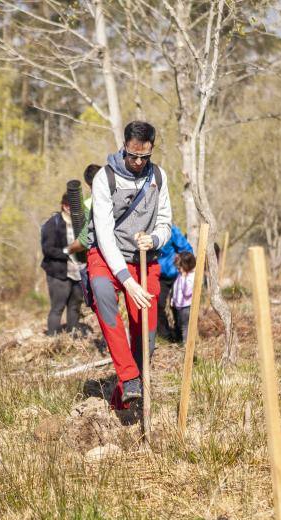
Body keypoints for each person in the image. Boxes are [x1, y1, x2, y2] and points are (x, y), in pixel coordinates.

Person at [87, 120, 172, 409]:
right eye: (133, 154)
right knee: (103, 294)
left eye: (144, 156)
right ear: (124, 147)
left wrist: (155, 239)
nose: (138, 161)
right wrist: (126, 280)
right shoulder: (103, 178)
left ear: (151, 151)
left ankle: (124, 395)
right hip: (108, 258)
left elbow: (165, 222)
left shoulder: (158, 176)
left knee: (145, 337)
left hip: (143, 260)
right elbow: (104, 233)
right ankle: (129, 376)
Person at [41, 193, 83, 335]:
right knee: (58, 307)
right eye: (72, 207)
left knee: (75, 306)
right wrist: (67, 252)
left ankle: (73, 336)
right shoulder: (53, 223)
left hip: (78, 273)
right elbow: (47, 249)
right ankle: (52, 338)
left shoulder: (79, 223)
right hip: (58, 273)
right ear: (65, 206)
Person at [156, 225, 193, 342]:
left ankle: (180, 334)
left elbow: (186, 249)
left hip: (176, 273)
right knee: (158, 304)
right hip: (159, 275)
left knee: (178, 306)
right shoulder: (147, 230)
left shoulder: (171, 230)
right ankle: (165, 335)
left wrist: (184, 268)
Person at [68, 164, 101, 255]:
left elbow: (83, 241)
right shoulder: (122, 192)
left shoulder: (90, 203)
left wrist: (67, 250)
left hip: (101, 258)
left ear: (88, 184)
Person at [171, 252, 196, 343]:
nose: (178, 269)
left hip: (186, 306)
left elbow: (187, 292)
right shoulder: (181, 274)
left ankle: (186, 343)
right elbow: (176, 288)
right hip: (177, 305)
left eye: (180, 267)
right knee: (178, 323)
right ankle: (178, 340)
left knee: (185, 326)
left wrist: (185, 278)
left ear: (187, 266)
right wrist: (173, 300)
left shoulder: (190, 277)